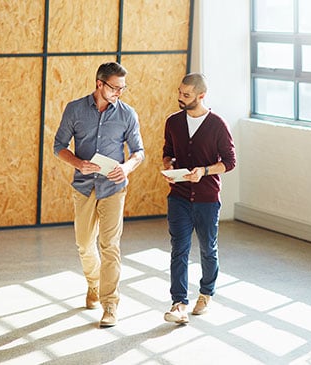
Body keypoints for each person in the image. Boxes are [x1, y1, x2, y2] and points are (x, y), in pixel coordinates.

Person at [53, 62, 144, 328]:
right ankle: (93, 284)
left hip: (114, 188)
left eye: (123, 88)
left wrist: (126, 167)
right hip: (83, 186)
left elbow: (139, 151)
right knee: (84, 244)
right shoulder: (75, 109)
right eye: (115, 87)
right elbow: (59, 146)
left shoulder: (128, 114)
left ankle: (110, 304)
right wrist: (78, 163)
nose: (119, 93)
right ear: (99, 84)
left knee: (110, 246)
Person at [161, 73, 236, 324]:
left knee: (207, 249)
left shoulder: (217, 124)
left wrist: (203, 171)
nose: (180, 98)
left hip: (207, 198)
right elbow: (168, 153)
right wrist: (169, 168)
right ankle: (179, 303)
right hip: (179, 197)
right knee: (178, 250)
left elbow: (229, 162)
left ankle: (205, 294)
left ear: (201, 96)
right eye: (180, 92)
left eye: (187, 95)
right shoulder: (173, 122)